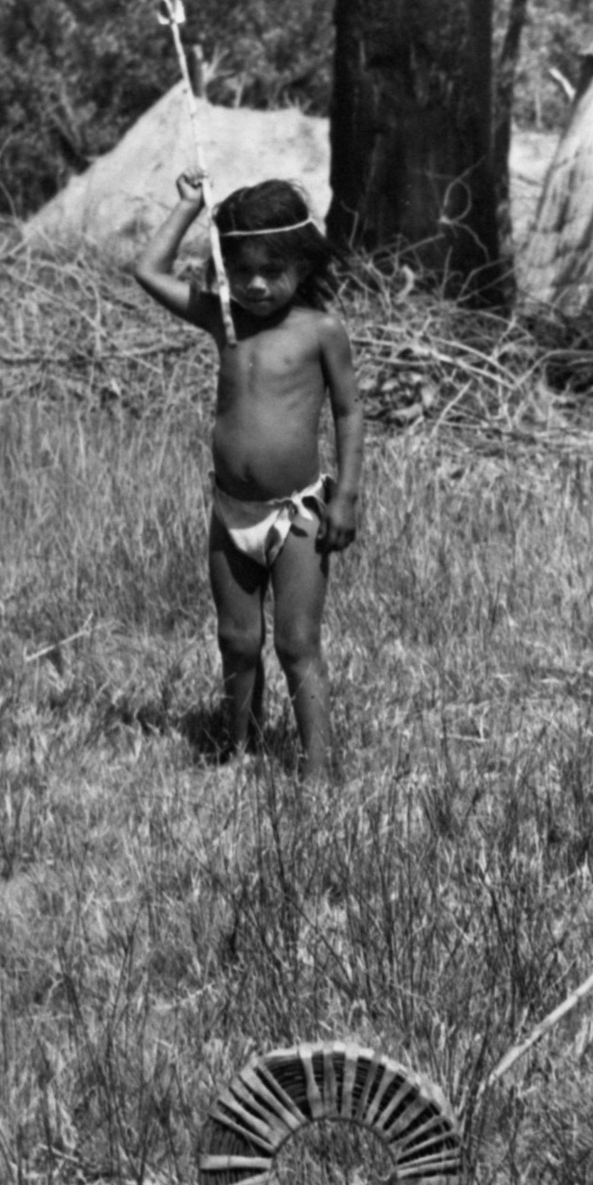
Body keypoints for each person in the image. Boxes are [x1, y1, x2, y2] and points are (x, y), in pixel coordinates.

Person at [135, 175, 364, 780]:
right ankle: (239, 749)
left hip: (299, 515)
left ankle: (318, 768)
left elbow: (349, 411)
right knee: (236, 639)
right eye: (242, 270)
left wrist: (348, 494)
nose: (257, 284)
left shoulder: (320, 330)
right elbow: (149, 271)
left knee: (295, 644)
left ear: (303, 263)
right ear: (224, 266)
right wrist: (187, 204)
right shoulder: (226, 320)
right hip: (229, 510)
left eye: (274, 270)